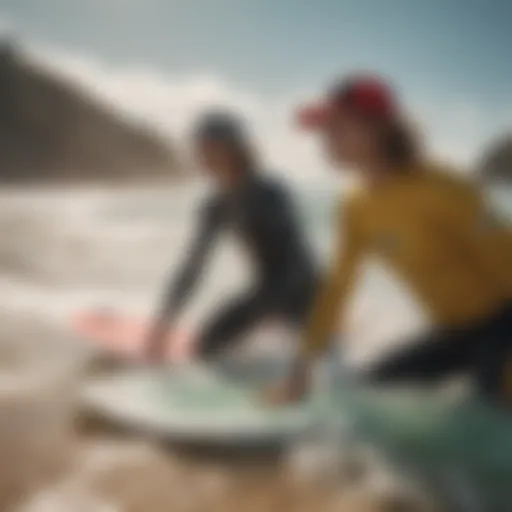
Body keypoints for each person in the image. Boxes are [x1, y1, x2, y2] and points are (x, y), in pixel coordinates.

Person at [265, 73, 512, 405]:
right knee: (370, 395)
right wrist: (302, 368)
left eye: (338, 127)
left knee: (491, 418)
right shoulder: (355, 205)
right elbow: (337, 287)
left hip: (504, 324)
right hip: (454, 334)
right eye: (324, 130)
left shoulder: (445, 189)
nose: (325, 139)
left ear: (379, 128)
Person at [145, 110, 318, 362]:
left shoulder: (270, 194)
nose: (200, 155)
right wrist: (163, 321)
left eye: (207, 147)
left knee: (212, 347)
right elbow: (192, 267)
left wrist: (271, 311)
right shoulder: (215, 206)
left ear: (232, 149)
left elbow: (296, 263)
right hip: (265, 294)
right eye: (198, 148)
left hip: (305, 293)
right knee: (206, 346)